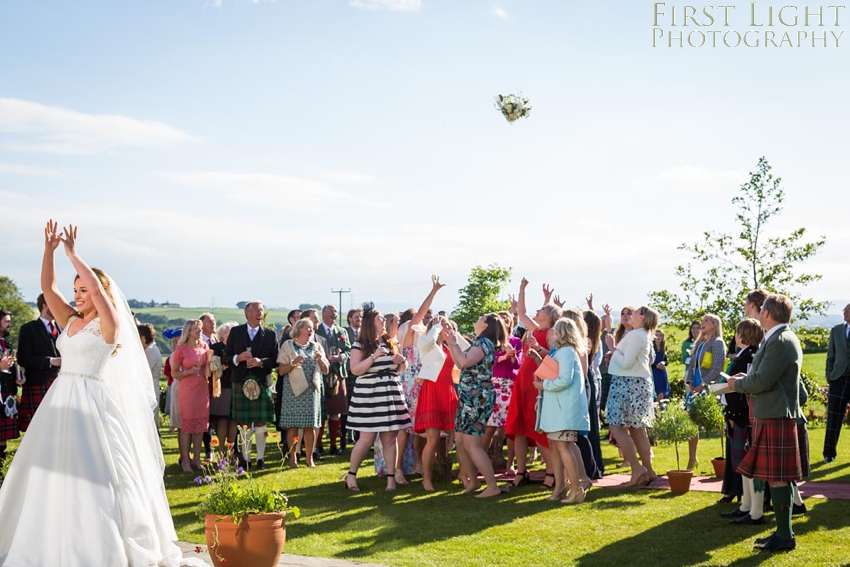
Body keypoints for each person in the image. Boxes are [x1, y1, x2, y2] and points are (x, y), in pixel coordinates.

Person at [0, 221, 205, 566]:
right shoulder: (70, 318)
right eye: (75, 289)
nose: (78, 295)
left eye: (84, 289)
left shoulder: (108, 324)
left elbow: (97, 290)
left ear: (99, 292)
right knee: (46, 470)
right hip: (60, 398)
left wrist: (73, 254)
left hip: (92, 402)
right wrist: (49, 251)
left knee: (96, 474)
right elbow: (48, 287)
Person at [727, 294, 805, 553]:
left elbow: (762, 382)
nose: (758, 314)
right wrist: (746, 378)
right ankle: (783, 533)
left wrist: (737, 384)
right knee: (776, 478)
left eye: (761, 310)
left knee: (779, 479)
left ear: (768, 314)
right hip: (771, 413)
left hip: (775, 415)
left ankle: (785, 536)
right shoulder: (778, 338)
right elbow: (761, 376)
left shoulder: (781, 341)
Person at [345, 303, 411, 492]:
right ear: (370, 322)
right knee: (366, 439)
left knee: (390, 439)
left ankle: (391, 480)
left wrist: (401, 361)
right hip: (370, 396)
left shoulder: (390, 341)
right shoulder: (360, 344)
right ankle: (351, 476)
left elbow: (400, 368)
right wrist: (373, 357)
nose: (383, 320)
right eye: (379, 318)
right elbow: (355, 370)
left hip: (389, 394)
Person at [505, 278, 561, 489]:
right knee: (519, 428)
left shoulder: (551, 333)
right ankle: (521, 472)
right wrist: (521, 290)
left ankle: (551, 473)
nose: (537, 312)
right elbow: (521, 312)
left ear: (551, 316)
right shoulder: (535, 327)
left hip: (537, 383)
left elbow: (553, 359)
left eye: (542, 310)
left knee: (536, 428)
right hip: (522, 381)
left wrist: (537, 347)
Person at [445, 313, 506, 498]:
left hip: (477, 397)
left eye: (481, 317)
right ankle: (474, 481)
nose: (477, 319)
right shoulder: (479, 343)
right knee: (461, 442)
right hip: (467, 397)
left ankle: (492, 486)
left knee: (472, 444)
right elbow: (459, 361)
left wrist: (454, 342)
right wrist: (451, 341)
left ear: (486, 325)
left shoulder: (483, 344)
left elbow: (464, 361)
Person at [533, 317, 590, 504]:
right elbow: (555, 372)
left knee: (564, 447)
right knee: (556, 448)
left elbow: (564, 380)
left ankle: (577, 489)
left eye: (555, 331)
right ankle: (560, 487)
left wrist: (544, 386)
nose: (552, 334)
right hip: (557, 408)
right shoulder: (564, 351)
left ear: (562, 333)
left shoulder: (566, 352)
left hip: (564, 409)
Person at [394, 276, 445, 485]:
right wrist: (433, 292)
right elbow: (422, 313)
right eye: (415, 319)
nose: (420, 321)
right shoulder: (408, 332)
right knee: (404, 429)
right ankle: (396, 470)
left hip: (422, 382)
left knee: (419, 429)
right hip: (409, 383)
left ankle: (418, 465)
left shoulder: (423, 335)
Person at [604, 305, 659, 487]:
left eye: (635, 313)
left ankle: (637, 469)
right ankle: (649, 471)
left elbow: (627, 362)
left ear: (642, 317)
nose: (631, 315)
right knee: (637, 428)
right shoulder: (642, 334)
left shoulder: (636, 335)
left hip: (629, 383)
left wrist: (612, 348)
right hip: (637, 383)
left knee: (616, 425)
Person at [224, 301, 280, 470]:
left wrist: (261, 362)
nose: (260, 313)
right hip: (240, 381)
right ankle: (246, 459)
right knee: (244, 423)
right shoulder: (236, 332)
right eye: (256, 310)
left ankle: (260, 459)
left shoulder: (270, 334)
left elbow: (275, 359)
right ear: (247, 313)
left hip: (261, 382)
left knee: (261, 422)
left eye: (262, 310)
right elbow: (225, 358)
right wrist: (238, 358)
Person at [720, 318, 764, 521]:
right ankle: (746, 505)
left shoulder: (748, 357)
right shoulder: (746, 355)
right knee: (744, 465)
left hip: (743, 417)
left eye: (738, 333)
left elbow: (745, 389)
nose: (735, 337)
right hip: (741, 416)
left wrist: (734, 414)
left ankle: (753, 510)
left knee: (748, 465)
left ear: (743, 335)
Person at [414, 315, 459, 491]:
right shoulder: (427, 345)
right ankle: (427, 478)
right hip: (432, 393)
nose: (443, 327)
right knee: (432, 439)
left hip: (448, 392)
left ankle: (451, 471)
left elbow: (466, 350)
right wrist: (436, 327)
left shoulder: (449, 347)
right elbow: (425, 343)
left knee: (454, 438)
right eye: (440, 325)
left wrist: (453, 334)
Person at [278, 319, 330, 467]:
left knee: (310, 426)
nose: (311, 331)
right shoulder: (288, 346)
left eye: (312, 328)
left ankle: (309, 458)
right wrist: (293, 362)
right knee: (293, 426)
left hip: (312, 392)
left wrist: (321, 360)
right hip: (293, 391)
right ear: (299, 329)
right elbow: (281, 371)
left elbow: (326, 370)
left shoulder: (317, 347)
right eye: (308, 328)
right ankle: (293, 459)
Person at [684, 313, 726, 470]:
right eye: (702, 320)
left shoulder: (717, 342)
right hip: (693, 388)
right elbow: (692, 366)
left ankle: (724, 460)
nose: (702, 323)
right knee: (691, 423)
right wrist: (689, 383)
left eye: (706, 321)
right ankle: (692, 458)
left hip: (707, 388)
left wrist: (702, 385)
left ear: (714, 324)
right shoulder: (700, 342)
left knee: (716, 422)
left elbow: (717, 367)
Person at [483, 311, 522, 475]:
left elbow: (517, 365)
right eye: (502, 319)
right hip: (494, 385)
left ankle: (510, 465)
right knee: (490, 426)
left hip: (510, 386)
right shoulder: (491, 341)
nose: (506, 321)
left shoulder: (516, 341)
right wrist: (503, 356)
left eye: (508, 319)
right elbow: (487, 363)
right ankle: (480, 461)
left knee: (510, 428)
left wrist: (512, 356)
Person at [16, 293, 61, 432]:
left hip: (61, 382)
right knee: (39, 427)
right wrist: (51, 361)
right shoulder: (29, 329)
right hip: (38, 383)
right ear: (45, 305)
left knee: (59, 424)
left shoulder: (62, 328)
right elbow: (23, 358)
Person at [172, 319, 212, 472]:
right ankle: (185, 461)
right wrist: (187, 372)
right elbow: (175, 373)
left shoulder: (204, 346)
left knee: (200, 426)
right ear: (188, 331)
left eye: (200, 328)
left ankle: (197, 459)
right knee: (187, 426)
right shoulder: (181, 350)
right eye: (196, 328)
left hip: (202, 388)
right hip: (187, 390)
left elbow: (208, 366)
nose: (199, 331)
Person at [315, 304, 351, 455]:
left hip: (338, 375)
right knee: (321, 412)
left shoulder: (342, 331)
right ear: (324, 314)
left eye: (336, 311)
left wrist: (341, 357)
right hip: (321, 375)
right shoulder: (316, 331)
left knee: (335, 412)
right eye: (332, 312)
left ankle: (333, 445)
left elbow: (349, 351)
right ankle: (318, 445)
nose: (335, 314)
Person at [823, 303, 850, 463]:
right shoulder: (836, 330)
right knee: (833, 418)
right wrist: (829, 375)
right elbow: (830, 356)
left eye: (848, 311)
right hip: (838, 380)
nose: (845, 313)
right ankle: (829, 453)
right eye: (844, 311)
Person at [210, 321, 239, 456]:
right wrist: (222, 367)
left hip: (236, 385)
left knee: (234, 420)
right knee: (222, 419)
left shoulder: (239, 348)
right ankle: (221, 450)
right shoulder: (216, 347)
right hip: (222, 387)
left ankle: (231, 451)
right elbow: (212, 366)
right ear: (223, 334)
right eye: (230, 332)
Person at [0, 310, 19, 460]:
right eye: (6, 321)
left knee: (2, 441)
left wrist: (18, 376)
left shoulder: (6, 343)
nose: (10, 324)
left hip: (5, 393)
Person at [138, 323, 163, 426]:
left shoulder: (150, 350)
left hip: (150, 384)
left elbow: (144, 370)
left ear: (143, 338)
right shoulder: (151, 349)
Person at [651, 329, 670, 402]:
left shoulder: (664, 348)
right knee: (655, 391)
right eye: (656, 335)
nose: (658, 337)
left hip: (662, 373)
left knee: (662, 392)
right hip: (654, 372)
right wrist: (656, 366)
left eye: (660, 335)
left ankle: (660, 409)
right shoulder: (651, 348)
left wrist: (664, 363)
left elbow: (666, 360)